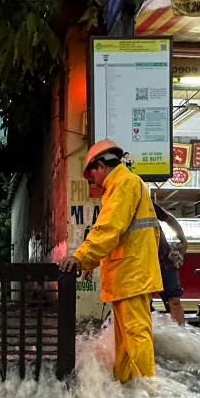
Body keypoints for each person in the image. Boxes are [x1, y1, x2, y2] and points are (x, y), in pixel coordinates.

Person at [59, 139, 162, 383]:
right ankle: (128, 387)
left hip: (131, 274)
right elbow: (118, 234)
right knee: (127, 340)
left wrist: (81, 258)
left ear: (101, 165)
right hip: (129, 274)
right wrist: (90, 263)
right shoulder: (125, 184)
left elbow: (108, 228)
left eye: (91, 173)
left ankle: (148, 393)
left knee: (136, 336)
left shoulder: (124, 184)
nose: (92, 180)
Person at [152, 202, 188, 326]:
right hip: (142, 264)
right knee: (142, 304)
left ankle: (180, 336)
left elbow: (169, 219)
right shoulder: (120, 204)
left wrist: (183, 240)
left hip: (164, 261)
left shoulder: (147, 202)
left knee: (174, 301)